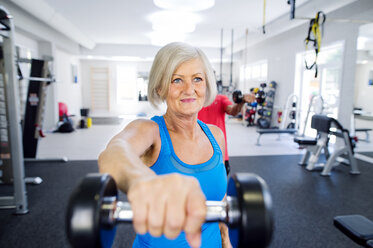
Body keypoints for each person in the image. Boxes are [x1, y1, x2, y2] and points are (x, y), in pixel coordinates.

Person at [98, 42, 232, 248]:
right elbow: (113, 153)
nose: (189, 89)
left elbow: (220, 203)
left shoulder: (216, 135)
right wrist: (141, 181)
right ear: (160, 87)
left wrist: (226, 240)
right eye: (177, 80)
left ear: (206, 84)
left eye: (197, 79)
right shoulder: (149, 131)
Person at [198, 92, 255, 175]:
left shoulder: (221, 99)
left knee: (219, 183)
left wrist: (241, 102)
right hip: (197, 152)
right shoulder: (193, 101)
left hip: (218, 151)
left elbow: (232, 111)